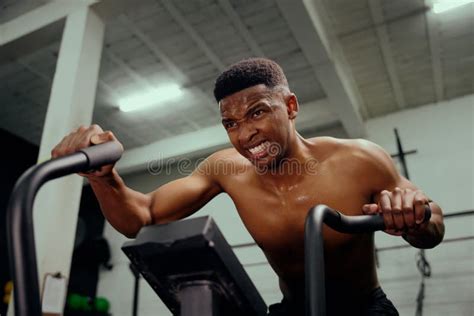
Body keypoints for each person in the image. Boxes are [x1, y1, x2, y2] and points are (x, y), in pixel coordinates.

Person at [51, 58, 445, 315]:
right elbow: (142, 217)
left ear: (290, 107)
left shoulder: (358, 159)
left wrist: (415, 214)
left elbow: (433, 226)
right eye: (231, 123)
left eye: (257, 112)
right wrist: (104, 179)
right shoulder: (226, 167)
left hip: (364, 309)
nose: (245, 134)